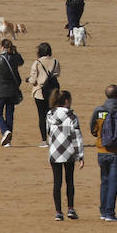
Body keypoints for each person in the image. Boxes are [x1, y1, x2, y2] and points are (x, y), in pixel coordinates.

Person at [89, 84, 117, 222]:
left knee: (105, 181)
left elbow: (93, 130)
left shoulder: (98, 111)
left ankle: (103, 211)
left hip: (102, 152)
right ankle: (110, 213)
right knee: (113, 183)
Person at [46, 91, 85, 221]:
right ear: (66, 101)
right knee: (70, 181)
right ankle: (70, 209)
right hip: (69, 152)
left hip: (54, 152)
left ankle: (58, 212)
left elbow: (48, 133)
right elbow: (77, 138)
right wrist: (80, 156)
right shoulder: (72, 117)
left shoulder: (50, 114)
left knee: (57, 182)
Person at [0, 38, 25, 146]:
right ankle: (8, 140)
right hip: (12, 91)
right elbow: (21, 62)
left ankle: (5, 131)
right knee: (9, 114)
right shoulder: (15, 58)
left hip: (0, 91)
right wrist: (15, 52)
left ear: (3, 47)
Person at [27, 42, 61, 144]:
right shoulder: (55, 61)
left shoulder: (37, 63)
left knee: (42, 116)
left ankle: (43, 140)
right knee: (51, 115)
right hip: (53, 93)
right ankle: (52, 137)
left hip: (39, 92)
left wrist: (29, 80)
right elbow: (57, 74)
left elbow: (33, 80)